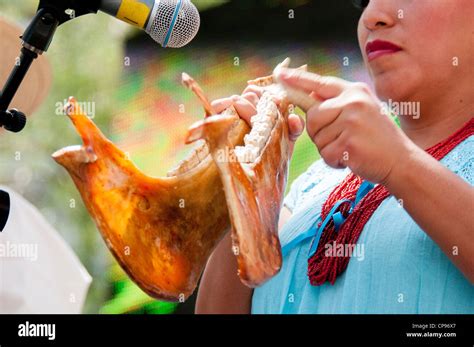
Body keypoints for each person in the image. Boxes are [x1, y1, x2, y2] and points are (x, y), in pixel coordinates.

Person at [196, 0, 474, 314]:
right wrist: (247, 192)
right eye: (364, 1)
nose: (371, 17)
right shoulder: (317, 183)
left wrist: (400, 164)